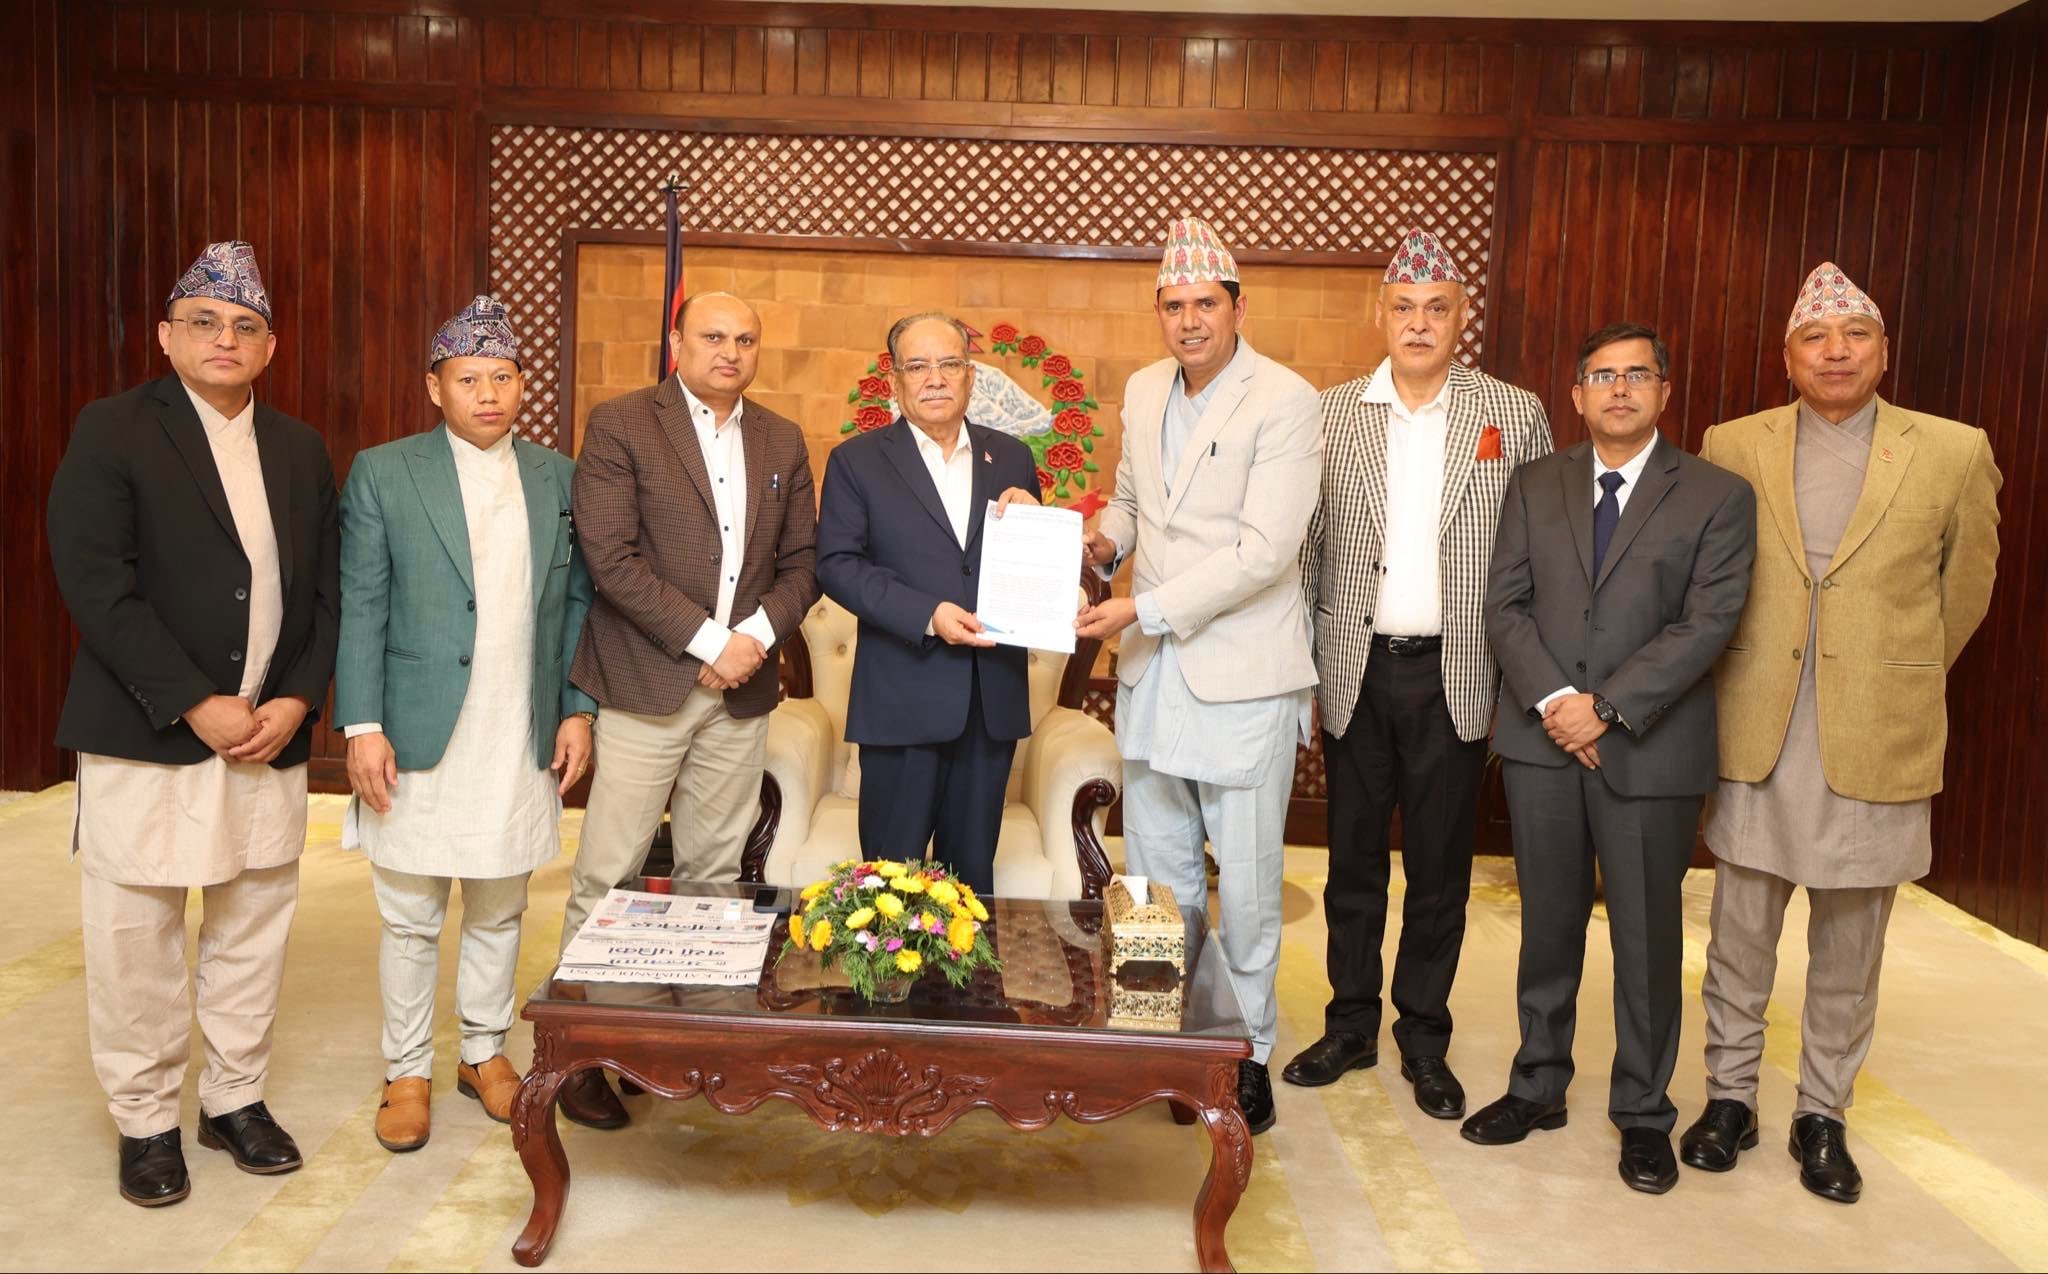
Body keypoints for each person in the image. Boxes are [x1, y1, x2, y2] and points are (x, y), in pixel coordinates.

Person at [1681, 263, 2000, 1203]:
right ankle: (1729, 1099)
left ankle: (1823, 1113)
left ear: (1883, 351)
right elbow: (1708, 575)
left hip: (1875, 730)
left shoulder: (1952, 450)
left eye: (1855, 335)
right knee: (1739, 936)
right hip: (1759, 723)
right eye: (1815, 338)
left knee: (1851, 950)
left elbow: (1965, 591)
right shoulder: (1733, 443)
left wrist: (1890, 671)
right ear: (1787, 358)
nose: (1836, 353)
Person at [48, 241, 339, 1206]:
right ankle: (144, 1119)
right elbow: (96, 581)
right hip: (153, 728)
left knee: (253, 922)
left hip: (267, 733)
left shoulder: (298, 447)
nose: (225, 338)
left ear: (270, 348)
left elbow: (326, 593)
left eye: (245, 326)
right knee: (136, 932)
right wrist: (192, 700)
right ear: (166, 336)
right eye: (204, 321)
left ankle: (233, 1100)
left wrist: (296, 699)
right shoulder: (114, 427)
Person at [1465, 322, 1755, 1193]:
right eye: (1602, 375)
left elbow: (1708, 621)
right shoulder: (1533, 483)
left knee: (1646, 937)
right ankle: (1538, 1085)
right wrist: (1560, 704)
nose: (1619, 389)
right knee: (1547, 927)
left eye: (1637, 375)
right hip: (1544, 744)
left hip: (1650, 749)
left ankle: (1643, 1112)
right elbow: (1505, 605)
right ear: (1577, 394)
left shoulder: (1716, 494)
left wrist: (1606, 710)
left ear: (1664, 391)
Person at [1285, 229, 1552, 1122]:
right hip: (1355, 667)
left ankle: (1424, 1038)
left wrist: (1528, 680)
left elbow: (1539, 552)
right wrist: (1300, 671)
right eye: (1403, 308)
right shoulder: (1331, 414)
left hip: (1458, 672)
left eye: (1437, 308)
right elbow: (1307, 549)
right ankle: (1350, 1024)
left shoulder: (1512, 413)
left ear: (1461, 317)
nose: (1419, 323)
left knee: (1440, 871)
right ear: (1382, 315)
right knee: (1352, 863)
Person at [1076, 216, 1321, 1135]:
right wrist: (1101, 546)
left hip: (1242, 674)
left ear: (1237, 309)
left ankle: (1244, 1056)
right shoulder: (1145, 389)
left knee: (1247, 885)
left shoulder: (1286, 400)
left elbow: (1264, 553)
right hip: (1154, 675)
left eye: (1205, 304)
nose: (1189, 321)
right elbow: (1133, 503)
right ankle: (1159, 1039)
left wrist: (1140, 607)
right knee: (1154, 875)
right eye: (1173, 305)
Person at [335, 295, 596, 1152]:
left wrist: (578, 711)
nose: (489, 393)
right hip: (416, 726)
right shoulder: (385, 470)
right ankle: (406, 1068)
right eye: (469, 378)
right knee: (411, 913)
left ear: (523, 385)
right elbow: (362, 602)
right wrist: (362, 724)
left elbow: (578, 604)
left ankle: (483, 1051)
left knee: (498, 904)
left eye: (504, 377)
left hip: (518, 724)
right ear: (434, 387)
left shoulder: (558, 476)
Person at [553, 292, 818, 1129]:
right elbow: (610, 556)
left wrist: (752, 640)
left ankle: (684, 1046)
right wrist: (709, 641)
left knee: (713, 876)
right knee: (610, 870)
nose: (730, 352)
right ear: (676, 341)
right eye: (712, 336)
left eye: (745, 339)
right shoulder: (623, 423)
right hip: (646, 680)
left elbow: (804, 563)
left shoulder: (781, 437)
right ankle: (586, 1055)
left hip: (741, 694)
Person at [815, 312, 1041, 894]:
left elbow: (1030, 567)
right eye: (917, 366)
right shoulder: (856, 461)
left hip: (989, 705)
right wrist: (928, 615)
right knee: (888, 890)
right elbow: (837, 565)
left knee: (970, 888)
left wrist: (1037, 523)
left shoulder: (1012, 458)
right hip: (901, 701)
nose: (935, 378)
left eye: (949, 364)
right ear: (895, 380)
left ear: (971, 376)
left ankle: (968, 966)